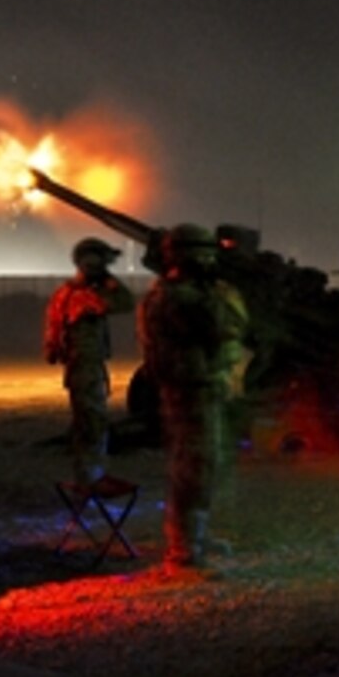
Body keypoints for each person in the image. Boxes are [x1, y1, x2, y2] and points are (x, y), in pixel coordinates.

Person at [137, 224, 249, 574]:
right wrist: (222, 289)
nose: (211, 258)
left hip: (202, 388)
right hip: (190, 391)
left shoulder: (188, 292)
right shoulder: (176, 297)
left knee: (204, 465)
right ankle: (183, 552)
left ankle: (193, 537)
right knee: (193, 469)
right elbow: (229, 323)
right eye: (204, 252)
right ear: (183, 255)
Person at [43, 238, 135, 486]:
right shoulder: (84, 296)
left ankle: (88, 474)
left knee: (86, 421)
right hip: (86, 365)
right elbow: (126, 302)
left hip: (80, 365)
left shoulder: (64, 293)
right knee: (93, 424)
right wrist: (106, 279)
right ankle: (90, 477)